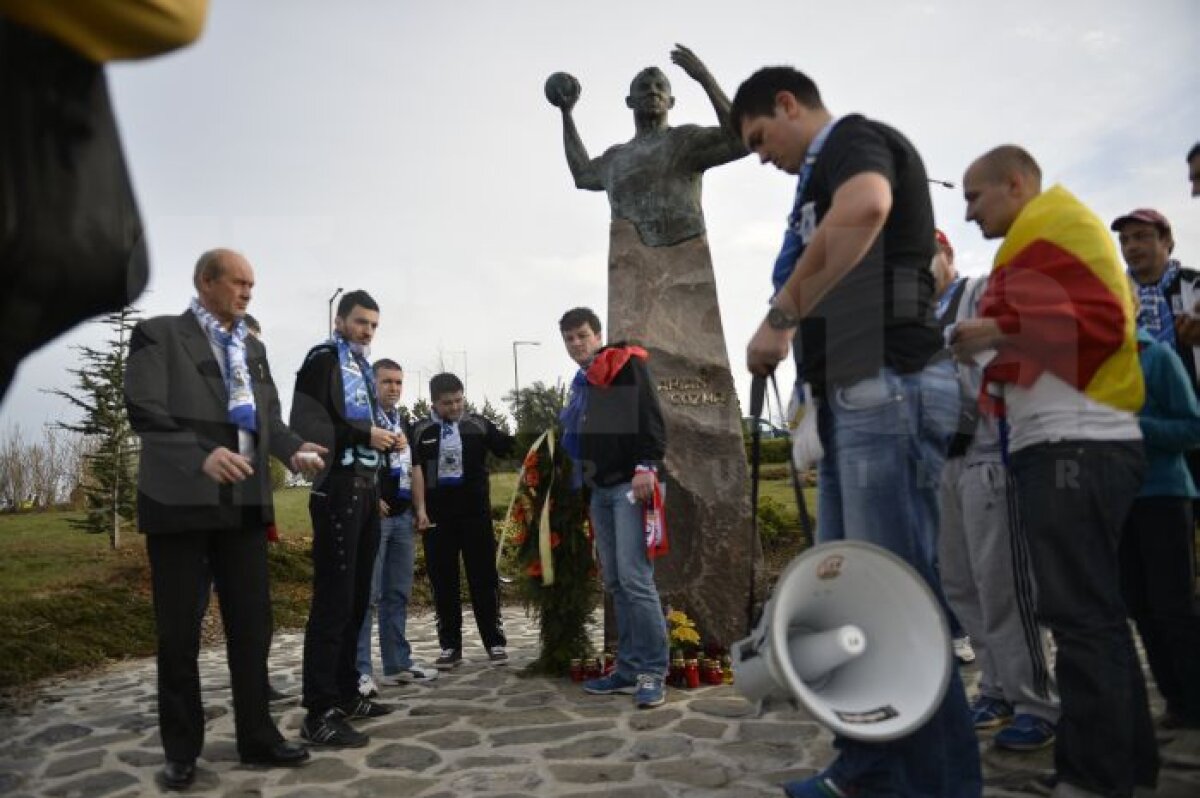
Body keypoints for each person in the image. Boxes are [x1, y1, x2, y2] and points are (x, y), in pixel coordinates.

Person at [733, 66, 982, 797]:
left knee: (899, 603)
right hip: (854, 396)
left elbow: (868, 205)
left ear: (787, 104)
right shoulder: (816, 176)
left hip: (889, 388)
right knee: (854, 602)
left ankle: (937, 784)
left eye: (758, 138)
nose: (760, 156)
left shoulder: (854, 141)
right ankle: (870, 769)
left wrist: (780, 317)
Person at [955, 145, 1156, 797]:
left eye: (975, 197)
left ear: (1015, 185)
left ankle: (1095, 779)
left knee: (1079, 617)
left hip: (1075, 441)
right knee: (1090, 613)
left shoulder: (1056, 225)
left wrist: (990, 329)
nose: (967, 213)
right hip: (1071, 439)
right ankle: (1125, 769)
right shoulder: (1042, 233)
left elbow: (1101, 322)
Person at [124, 248, 322, 789]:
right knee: (180, 635)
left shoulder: (253, 347)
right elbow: (145, 412)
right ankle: (182, 751)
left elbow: (270, 421)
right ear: (205, 280)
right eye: (238, 283)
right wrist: (199, 456)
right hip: (179, 507)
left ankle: (257, 737)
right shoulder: (158, 334)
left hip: (244, 508)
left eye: (252, 286)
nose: (247, 293)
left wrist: (293, 449)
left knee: (253, 628)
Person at [932, 231, 1060, 751]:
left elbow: (1038, 329)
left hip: (988, 451)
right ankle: (997, 687)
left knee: (1004, 585)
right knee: (962, 586)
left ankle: (1038, 702)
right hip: (939, 463)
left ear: (946, 255)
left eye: (924, 253)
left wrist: (992, 334)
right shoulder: (907, 318)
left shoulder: (978, 292)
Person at [290, 290, 398, 748]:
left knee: (357, 598)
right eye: (359, 322)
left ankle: (345, 691)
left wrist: (385, 440)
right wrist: (364, 433)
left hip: (365, 488)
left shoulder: (358, 368)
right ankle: (318, 709)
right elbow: (306, 423)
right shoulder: (322, 360)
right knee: (333, 600)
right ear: (339, 320)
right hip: (335, 490)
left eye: (373, 325)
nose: (367, 331)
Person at [558, 307, 670, 710]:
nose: (576, 344)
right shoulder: (583, 380)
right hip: (600, 490)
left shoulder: (624, 365)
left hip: (630, 485)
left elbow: (651, 418)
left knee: (637, 579)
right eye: (569, 338)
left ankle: (653, 671)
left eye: (582, 336)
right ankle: (628, 668)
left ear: (598, 334)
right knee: (617, 583)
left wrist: (647, 466)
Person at [1122, 321, 1200, 731]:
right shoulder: (1094, 368)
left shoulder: (1159, 357)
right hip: (1118, 503)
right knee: (1140, 607)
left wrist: (1138, 427)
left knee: (1174, 606)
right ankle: (1175, 700)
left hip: (1164, 496)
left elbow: (1193, 427)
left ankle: (1194, 701)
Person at [411, 372, 513, 669]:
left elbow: (507, 446)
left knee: (484, 579)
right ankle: (450, 646)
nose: (455, 408)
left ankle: (494, 642)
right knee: (444, 583)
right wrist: (415, 509)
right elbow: (409, 470)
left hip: (475, 515)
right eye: (447, 403)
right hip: (437, 518)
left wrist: (539, 443)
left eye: (459, 400)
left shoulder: (478, 424)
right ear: (434, 402)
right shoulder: (419, 430)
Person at [355, 358, 437, 694]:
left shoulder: (404, 423)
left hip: (403, 517)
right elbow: (354, 462)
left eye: (399, 383)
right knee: (367, 596)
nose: (394, 388)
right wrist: (370, 498)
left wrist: (420, 508)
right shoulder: (365, 421)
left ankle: (397, 663)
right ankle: (360, 669)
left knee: (397, 594)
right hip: (375, 517)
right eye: (387, 382)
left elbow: (415, 467)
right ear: (373, 384)